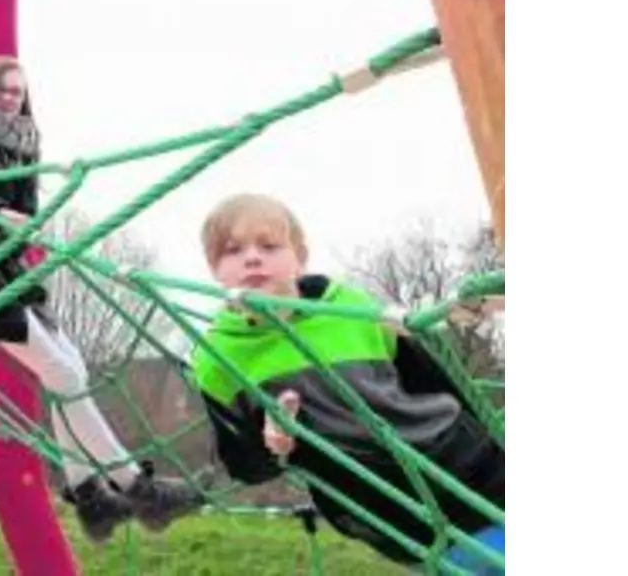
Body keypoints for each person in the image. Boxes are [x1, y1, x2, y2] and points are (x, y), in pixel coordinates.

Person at [0, 55, 205, 543]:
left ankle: (89, 496)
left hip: (8, 267)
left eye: (18, 92)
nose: (10, 99)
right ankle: (136, 486)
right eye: (2, 90)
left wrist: (12, 219)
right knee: (65, 373)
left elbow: (27, 209)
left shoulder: (24, 140)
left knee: (70, 366)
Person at [191, 193, 505, 570]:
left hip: (465, 464)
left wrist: (497, 436)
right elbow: (243, 464)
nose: (252, 257)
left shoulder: (349, 308)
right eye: (232, 250)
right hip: (391, 511)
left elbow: (436, 382)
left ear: (299, 257)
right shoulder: (216, 357)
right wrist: (275, 443)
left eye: (270, 245)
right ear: (214, 269)